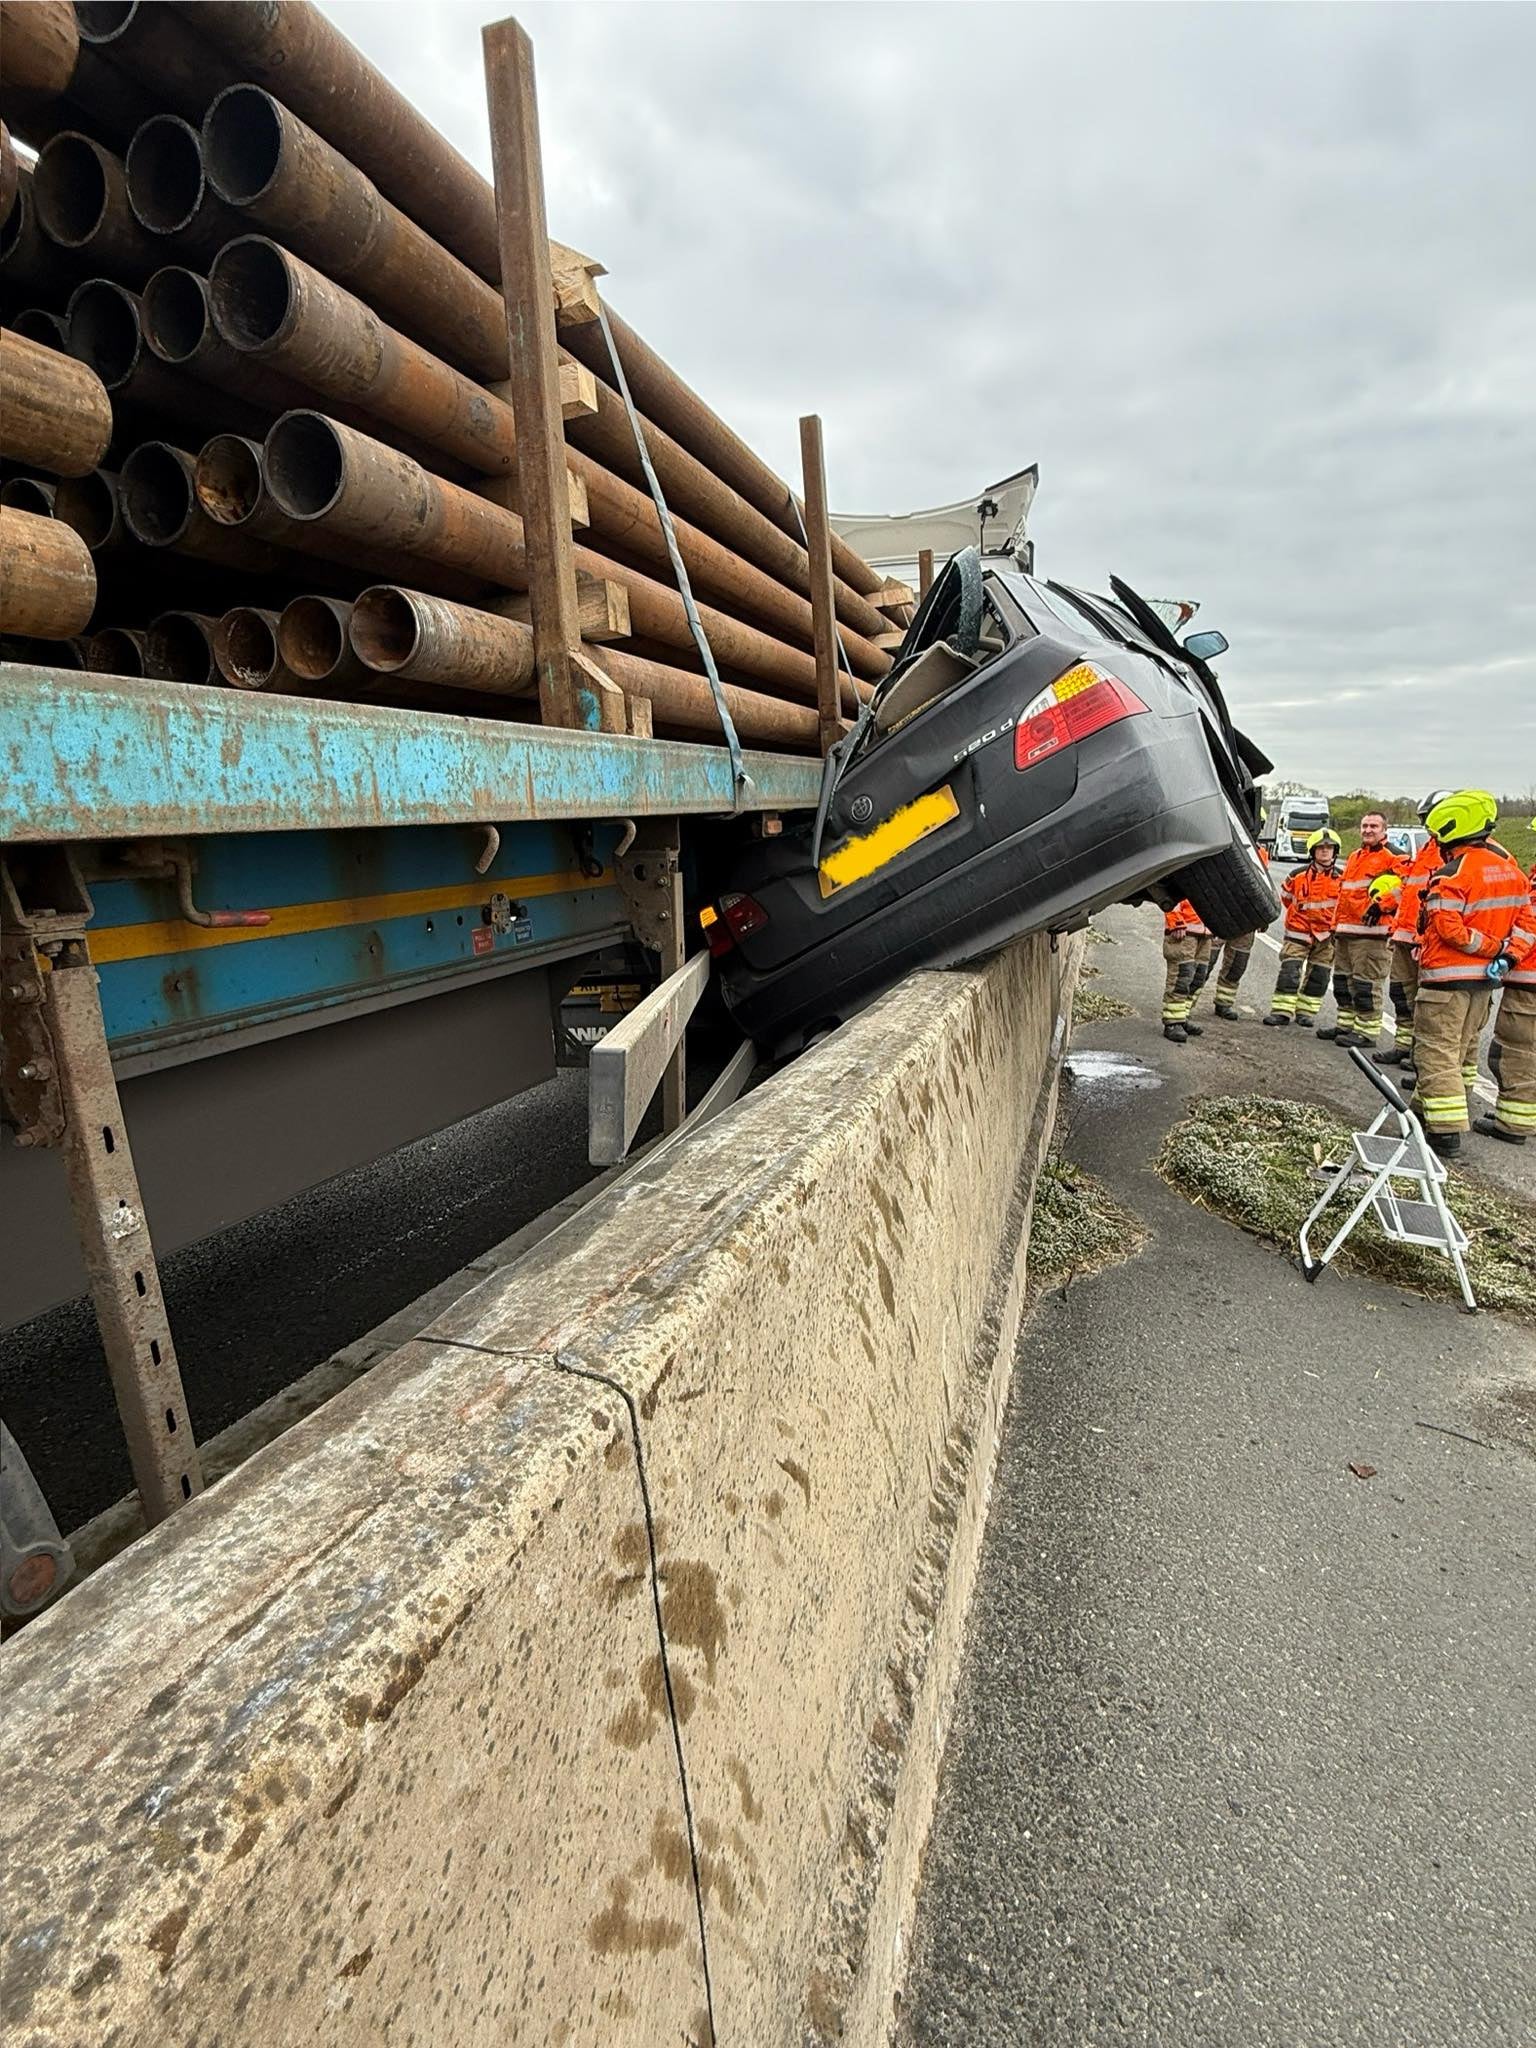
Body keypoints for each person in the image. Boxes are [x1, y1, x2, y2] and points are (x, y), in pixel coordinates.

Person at [1410, 791, 1531, 1158]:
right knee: (1460, 1049)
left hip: (1445, 980)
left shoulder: (1451, 874)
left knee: (1436, 1051)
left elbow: (1447, 928)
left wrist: (1490, 947)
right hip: (1484, 983)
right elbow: (1527, 924)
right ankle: (1423, 1109)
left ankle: (1444, 1133)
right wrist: (1507, 956)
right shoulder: (1512, 871)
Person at [1318, 811, 1407, 1048]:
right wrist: (1335, 926)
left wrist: (1383, 905)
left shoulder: (1394, 856)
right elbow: (1344, 894)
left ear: (1384, 830)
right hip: (1347, 933)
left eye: (1374, 826)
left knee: (1366, 985)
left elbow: (1408, 886)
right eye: (1365, 825)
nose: (1368, 830)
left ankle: (1366, 1032)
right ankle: (1345, 1024)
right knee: (1343, 983)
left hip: (1372, 935)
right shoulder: (1356, 856)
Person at [1375, 792, 1448, 1072]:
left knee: (1427, 1002)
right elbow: (1409, 890)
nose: (1428, 824)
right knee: (1402, 995)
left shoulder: (1450, 853)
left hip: (1426, 941)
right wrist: (1384, 904)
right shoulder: (1429, 850)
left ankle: (1420, 1055)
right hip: (1404, 934)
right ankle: (1404, 1046)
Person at [1474, 841, 1536, 1146]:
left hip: (1530, 981)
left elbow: (1528, 927)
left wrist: (1509, 956)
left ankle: (1512, 1124)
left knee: (1515, 1052)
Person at [1265, 829, 1342, 1026]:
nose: (1325, 851)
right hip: (1298, 932)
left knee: (1319, 975)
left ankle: (1305, 1012)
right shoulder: (1297, 875)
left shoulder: (1343, 877)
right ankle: (1281, 1011)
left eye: (1329, 848)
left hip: (1327, 936)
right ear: (1312, 851)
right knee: (1290, 971)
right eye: (1320, 848)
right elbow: (1286, 898)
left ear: (1335, 851)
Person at [1210, 836, 1272, 1020]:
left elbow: (1262, 886)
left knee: (1237, 964)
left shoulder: (1260, 854)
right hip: (1218, 913)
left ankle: (1224, 1003)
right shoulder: (1219, 840)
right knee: (1205, 961)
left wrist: (1263, 915)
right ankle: (1187, 1003)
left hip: (1246, 918)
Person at [1161, 899, 1213, 1043]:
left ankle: (1181, 1017)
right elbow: (1170, 895)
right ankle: (1172, 1022)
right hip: (1183, 932)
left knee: (1198, 977)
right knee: (1181, 978)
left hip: (1205, 933)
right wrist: (1176, 921)